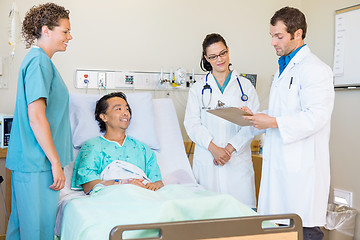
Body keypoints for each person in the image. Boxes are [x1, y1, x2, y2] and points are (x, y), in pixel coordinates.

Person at [242, 7, 334, 240]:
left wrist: (271, 121)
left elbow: (316, 117)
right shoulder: (283, 68)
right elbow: (282, 112)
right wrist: (257, 116)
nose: (273, 42)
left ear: (298, 34)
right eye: (271, 35)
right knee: (282, 229)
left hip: (301, 172)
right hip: (281, 167)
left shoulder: (315, 69)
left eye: (279, 36)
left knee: (304, 230)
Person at [5, 3, 73, 240]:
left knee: (22, 230)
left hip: (32, 162)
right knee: (37, 233)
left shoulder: (39, 61)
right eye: (65, 31)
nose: (69, 36)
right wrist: (55, 162)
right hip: (38, 163)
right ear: (46, 30)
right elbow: (36, 116)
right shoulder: (40, 62)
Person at [184, 33, 260, 208]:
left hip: (237, 161)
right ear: (206, 58)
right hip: (208, 159)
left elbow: (253, 124)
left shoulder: (245, 86)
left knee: (241, 220)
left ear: (228, 52)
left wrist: (229, 149)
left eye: (222, 53)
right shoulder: (197, 89)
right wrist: (214, 148)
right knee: (208, 219)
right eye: (213, 56)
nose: (219, 59)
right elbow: (192, 123)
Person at [71, 92, 164, 194]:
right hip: (111, 198)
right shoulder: (92, 146)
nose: (125, 113)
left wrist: (154, 186)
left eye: (127, 109)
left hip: (143, 196)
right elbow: (88, 186)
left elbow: (158, 182)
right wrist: (123, 183)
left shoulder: (143, 149)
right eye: (118, 109)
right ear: (104, 117)